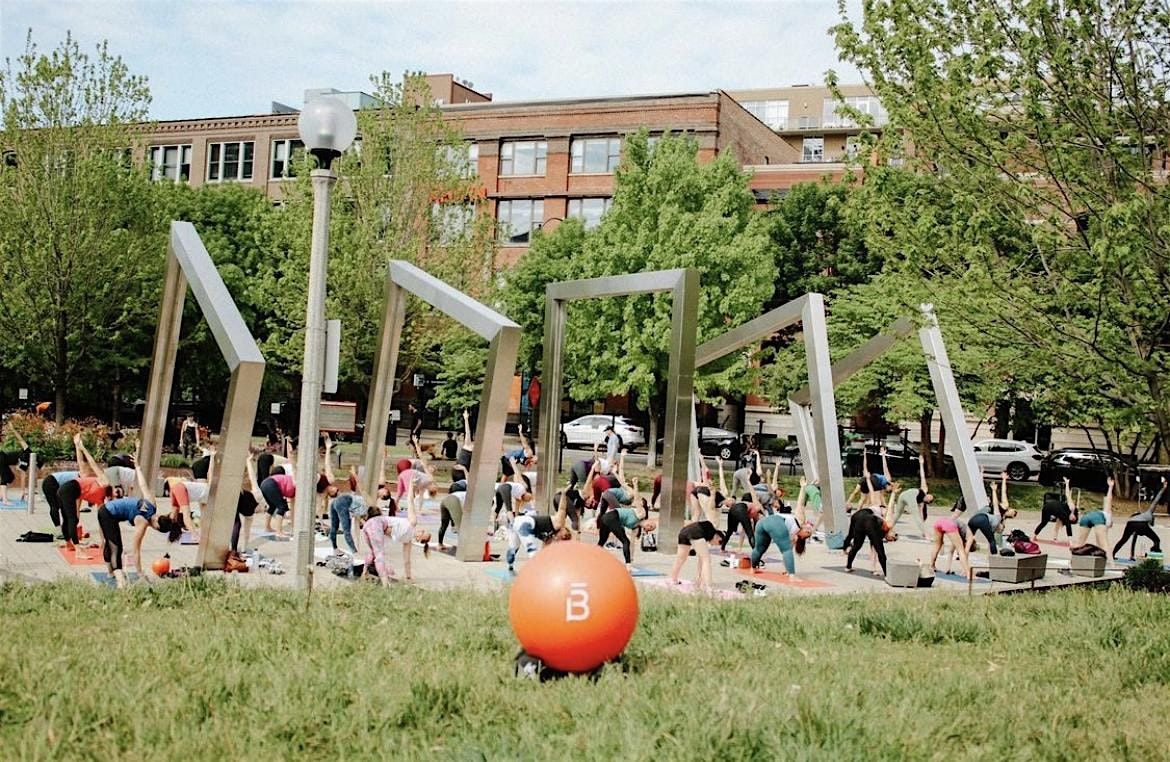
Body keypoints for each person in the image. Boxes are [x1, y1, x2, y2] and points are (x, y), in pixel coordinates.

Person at [95, 451, 182, 588]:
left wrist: (138, 468)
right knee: (116, 546)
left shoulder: (152, 505)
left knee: (109, 542)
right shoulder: (142, 522)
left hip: (107, 510)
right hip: (107, 513)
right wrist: (140, 572)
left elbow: (143, 486)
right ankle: (120, 582)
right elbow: (135, 550)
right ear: (158, 528)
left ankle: (110, 573)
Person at [361, 480, 431, 585]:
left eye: (422, 533)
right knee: (378, 553)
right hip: (375, 524)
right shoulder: (409, 532)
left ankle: (365, 573)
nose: (420, 531)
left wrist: (408, 577)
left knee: (375, 552)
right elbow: (410, 501)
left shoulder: (411, 529)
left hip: (371, 526)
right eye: (423, 531)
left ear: (419, 539)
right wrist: (410, 485)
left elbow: (407, 561)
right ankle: (384, 583)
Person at [668, 486, 726, 592]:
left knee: (681, 558)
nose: (714, 545)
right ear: (717, 536)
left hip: (683, 532)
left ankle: (673, 579)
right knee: (706, 559)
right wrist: (712, 494)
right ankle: (709, 587)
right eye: (718, 542)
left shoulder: (709, 527)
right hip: (695, 532)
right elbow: (711, 506)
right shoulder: (712, 526)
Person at [751, 476, 811, 578]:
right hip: (770, 522)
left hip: (763, 524)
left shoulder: (793, 538)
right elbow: (800, 503)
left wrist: (786, 568)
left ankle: (753, 568)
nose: (808, 529)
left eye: (808, 532)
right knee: (762, 548)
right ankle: (791, 575)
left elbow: (786, 555)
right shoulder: (799, 521)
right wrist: (803, 488)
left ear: (802, 537)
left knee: (760, 548)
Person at [508, 488, 577, 571]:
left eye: (563, 538)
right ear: (563, 529)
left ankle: (510, 565)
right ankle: (537, 572)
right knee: (532, 550)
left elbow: (544, 552)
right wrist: (563, 495)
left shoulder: (549, 537)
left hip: (518, 522)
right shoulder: (559, 523)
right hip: (526, 523)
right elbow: (562, 508)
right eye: (565, 536)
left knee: (513, 548)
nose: (561, 538)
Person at [594, 478, 656, 569]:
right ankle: (628, 566)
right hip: (611, 516)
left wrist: (631, 558)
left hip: (608, 519)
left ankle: (593, 558)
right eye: (651, 524)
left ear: (647, 530)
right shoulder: (642, 513)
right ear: (648, 520)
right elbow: (638, 499)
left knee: (602, 542)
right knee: (624, 540)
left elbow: (632, 544)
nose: (649, 526)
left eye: (650, 528)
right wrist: (635, 485)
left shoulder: (635, 528)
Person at [843, 482, 896, 576]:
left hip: (859, 516)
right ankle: (887, 574)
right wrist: (893, 493)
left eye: (892, 539)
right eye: (894, 537)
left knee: (857, 545)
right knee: (880, 551)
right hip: (867, 520)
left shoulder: (883, 526)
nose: (892, 537)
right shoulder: (887, 520)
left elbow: (873, 548)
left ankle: (848, 565)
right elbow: (890, 505)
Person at [1112, 476, 1165, 560]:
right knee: (1157, 540)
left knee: (1123, 540)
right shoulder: (1149, 513)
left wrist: (1132, 556)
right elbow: (1156, 500)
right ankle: (1155, 555)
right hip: (1141, 524)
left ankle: (1113, 555)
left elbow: (1134, 541)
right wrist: (1163, 488)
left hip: (1130, 523)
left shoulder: (1138, 519)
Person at [716, 456, 761, 552]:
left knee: (729, 530)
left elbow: (735, 489)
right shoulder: (756, 508)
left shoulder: (748, 505)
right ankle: (756, 554)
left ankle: (722, 548)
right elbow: (754, 527)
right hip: (740, 509)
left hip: (733, 509)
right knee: (750, 533)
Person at [967, 473, 1018, 555]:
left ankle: (988, 550)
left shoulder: (1002, 519)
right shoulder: (1004, 506)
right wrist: (1004, 479)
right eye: (1013, 511)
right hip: (986, 511)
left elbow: (999, 529)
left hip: (986, 517)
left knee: (988, 537)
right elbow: (1003, 493)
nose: (1012, 512)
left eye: (1013, 514)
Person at [889, 454, 934, 537]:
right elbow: (922, 477)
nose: (929, 495)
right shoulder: (924, 490)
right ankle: (888, 528)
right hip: (904, 495)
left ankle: (925, 533)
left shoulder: (921, 503)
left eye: (930, 498)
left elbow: (920, 516)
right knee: (897, 514)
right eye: (929, 495)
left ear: (928, 501)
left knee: (913, 515)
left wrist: (923, 527)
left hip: (909, 498)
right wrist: (921, 463)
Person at [259, 442, 298, 537]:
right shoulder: (298, 486)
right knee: (282, 506)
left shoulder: (296, 483)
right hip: (271, 484)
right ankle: (279, 532)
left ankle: (267, 527)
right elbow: (292, 507)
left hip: (265, 483)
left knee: (272, 506)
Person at [928, 500, 973, 579]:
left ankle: (931, 565)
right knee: (961, 550)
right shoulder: (970, 537)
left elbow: (951, 552)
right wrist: (966, 570)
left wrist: (948, 568)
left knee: (937, 545)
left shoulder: (959, 535)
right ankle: (969, 574)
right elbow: (964, 553)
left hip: (940, 521)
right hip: (950, 525)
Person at [1072, 476, 1114, 551]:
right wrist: (1110, 487)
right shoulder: (1107, 517)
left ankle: (1074, 552)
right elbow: (1109, 500)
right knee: (1104, 545)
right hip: (1095, 518)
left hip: (1086, 517)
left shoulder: (1106, 520)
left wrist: (1110, 487)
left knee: (1080, 542)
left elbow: (1108, 500)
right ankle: (1110, 561)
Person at [1033, 477, 1077, 542]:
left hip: (1052, 508)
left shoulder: (1065, 514)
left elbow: (1058, 524)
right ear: (1074, 515)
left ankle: (1054, 537)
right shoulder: (1072, 507)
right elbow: (1067, 494)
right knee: (1044, 522)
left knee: (1057, 522)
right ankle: (1034, 536)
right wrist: (1067, 483)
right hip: (1048, 507)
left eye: (1072, 520)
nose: (1073, 518)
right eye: (1074, 518)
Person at [0, 423, 29, 506]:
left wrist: (13, 429)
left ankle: (1, 496)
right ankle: (5, 500)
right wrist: (23, 491)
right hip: (1, 458)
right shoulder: (27, 456)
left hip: (4, 459)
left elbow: (21, 440)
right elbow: (23, 476)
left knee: (10, 477)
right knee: (5, 478)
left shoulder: (26, 453)